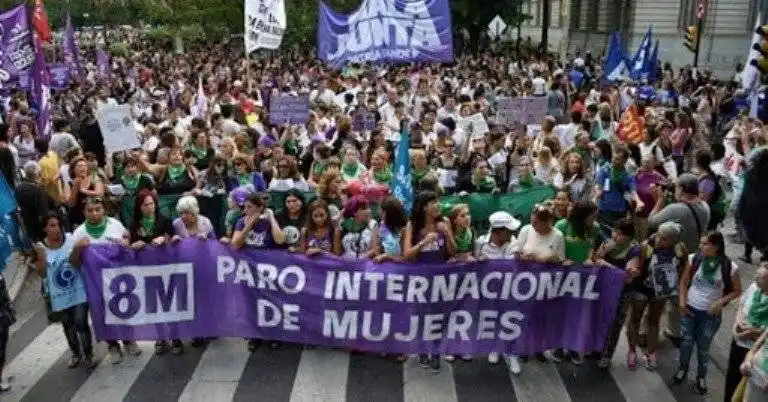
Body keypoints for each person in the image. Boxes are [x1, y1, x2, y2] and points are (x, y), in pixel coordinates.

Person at [70, 196, 141, 364]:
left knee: (123, 308)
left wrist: (126, 241)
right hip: (95, 282)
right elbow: (74, 262)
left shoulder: (115, 225)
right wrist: (78, 249)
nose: (94, 214)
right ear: (84, 212)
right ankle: (113, 345)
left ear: (104, 210)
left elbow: (127, 242)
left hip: (117, 279)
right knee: (101, 312)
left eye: (98, 210)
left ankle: (129, 341)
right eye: (90, 210)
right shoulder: (79, 233)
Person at [674, 231, 742, 394]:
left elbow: (737, 290)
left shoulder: (729, 267)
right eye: (701, 243)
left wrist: (720, 301)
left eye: (705, 244)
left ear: (716, 247)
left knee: (703, 349)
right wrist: (682, 302)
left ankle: (701, 377)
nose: (700, 246)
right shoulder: (694, 259)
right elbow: (683, 282)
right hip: (689, 310)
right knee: (686, 344)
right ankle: (682, 369)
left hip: (710, 317)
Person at [34, 213, 97, 369]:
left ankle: (88, 354)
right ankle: (76, 353)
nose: (57, 230)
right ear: (45, 228)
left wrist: (77, 249)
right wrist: (41, 259)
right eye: (52, 226)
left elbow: (78, 262)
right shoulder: (40, 247)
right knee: (68, 326)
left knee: (81, 322)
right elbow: (41, 274)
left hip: (78, 291)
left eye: (58, 225)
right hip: (58, 296)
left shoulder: (71, 240)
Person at [625, 222, 685, 371]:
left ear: (673, 241)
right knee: (635, 319)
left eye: (664, 239)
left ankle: (651, 352)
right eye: (658, 235)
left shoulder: (679, 251)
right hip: (641, 288)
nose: (659, 240)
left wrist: (676, 287)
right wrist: (633, 272)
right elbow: (634, 265)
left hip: (660, 292)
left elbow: (684, 270)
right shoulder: (646, 246)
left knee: (654, 320)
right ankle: (632, 351)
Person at [474, 211, 522, 373]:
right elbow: (473, 268)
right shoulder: (481, 243)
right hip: (490, 293)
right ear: (498, 232)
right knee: (492, 319)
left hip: (511, 291)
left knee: (511, 322)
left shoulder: (515, 243)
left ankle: (511, 353)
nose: (512, 233)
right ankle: (494, 347)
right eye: (509, 231)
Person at [725, 262, 768, 402]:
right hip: (738, 343)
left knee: (744, 389)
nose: (755, 277)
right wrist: (736, 326)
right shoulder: (754, 288)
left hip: (755, 353)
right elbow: (742, 305)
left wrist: (753, 332)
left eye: (760, 276)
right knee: (732, 380)